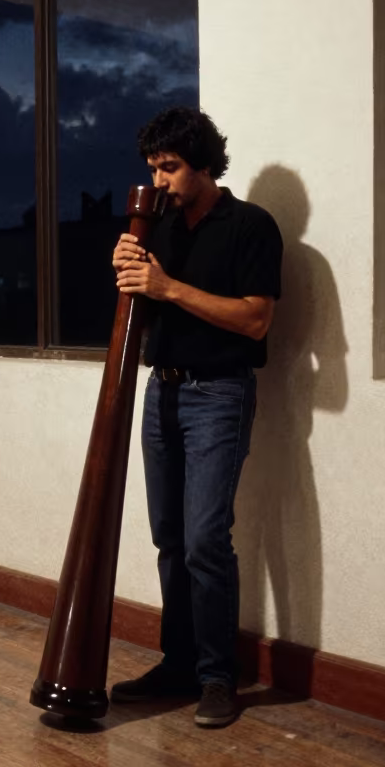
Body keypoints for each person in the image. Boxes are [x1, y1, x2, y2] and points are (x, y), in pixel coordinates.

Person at [110, 107, 283, 728]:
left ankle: (217, 678)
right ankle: (178, 664)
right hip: (164, 392)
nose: (159, 179)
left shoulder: (251, 226)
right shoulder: (159, 227)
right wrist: (129, 275)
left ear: (205, 165)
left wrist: (167, 288)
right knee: (170, 538)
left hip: (220, 395)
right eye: (153, 167)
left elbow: (256, 319)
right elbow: (148, 311)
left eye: (171, 167)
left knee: (207, 541)